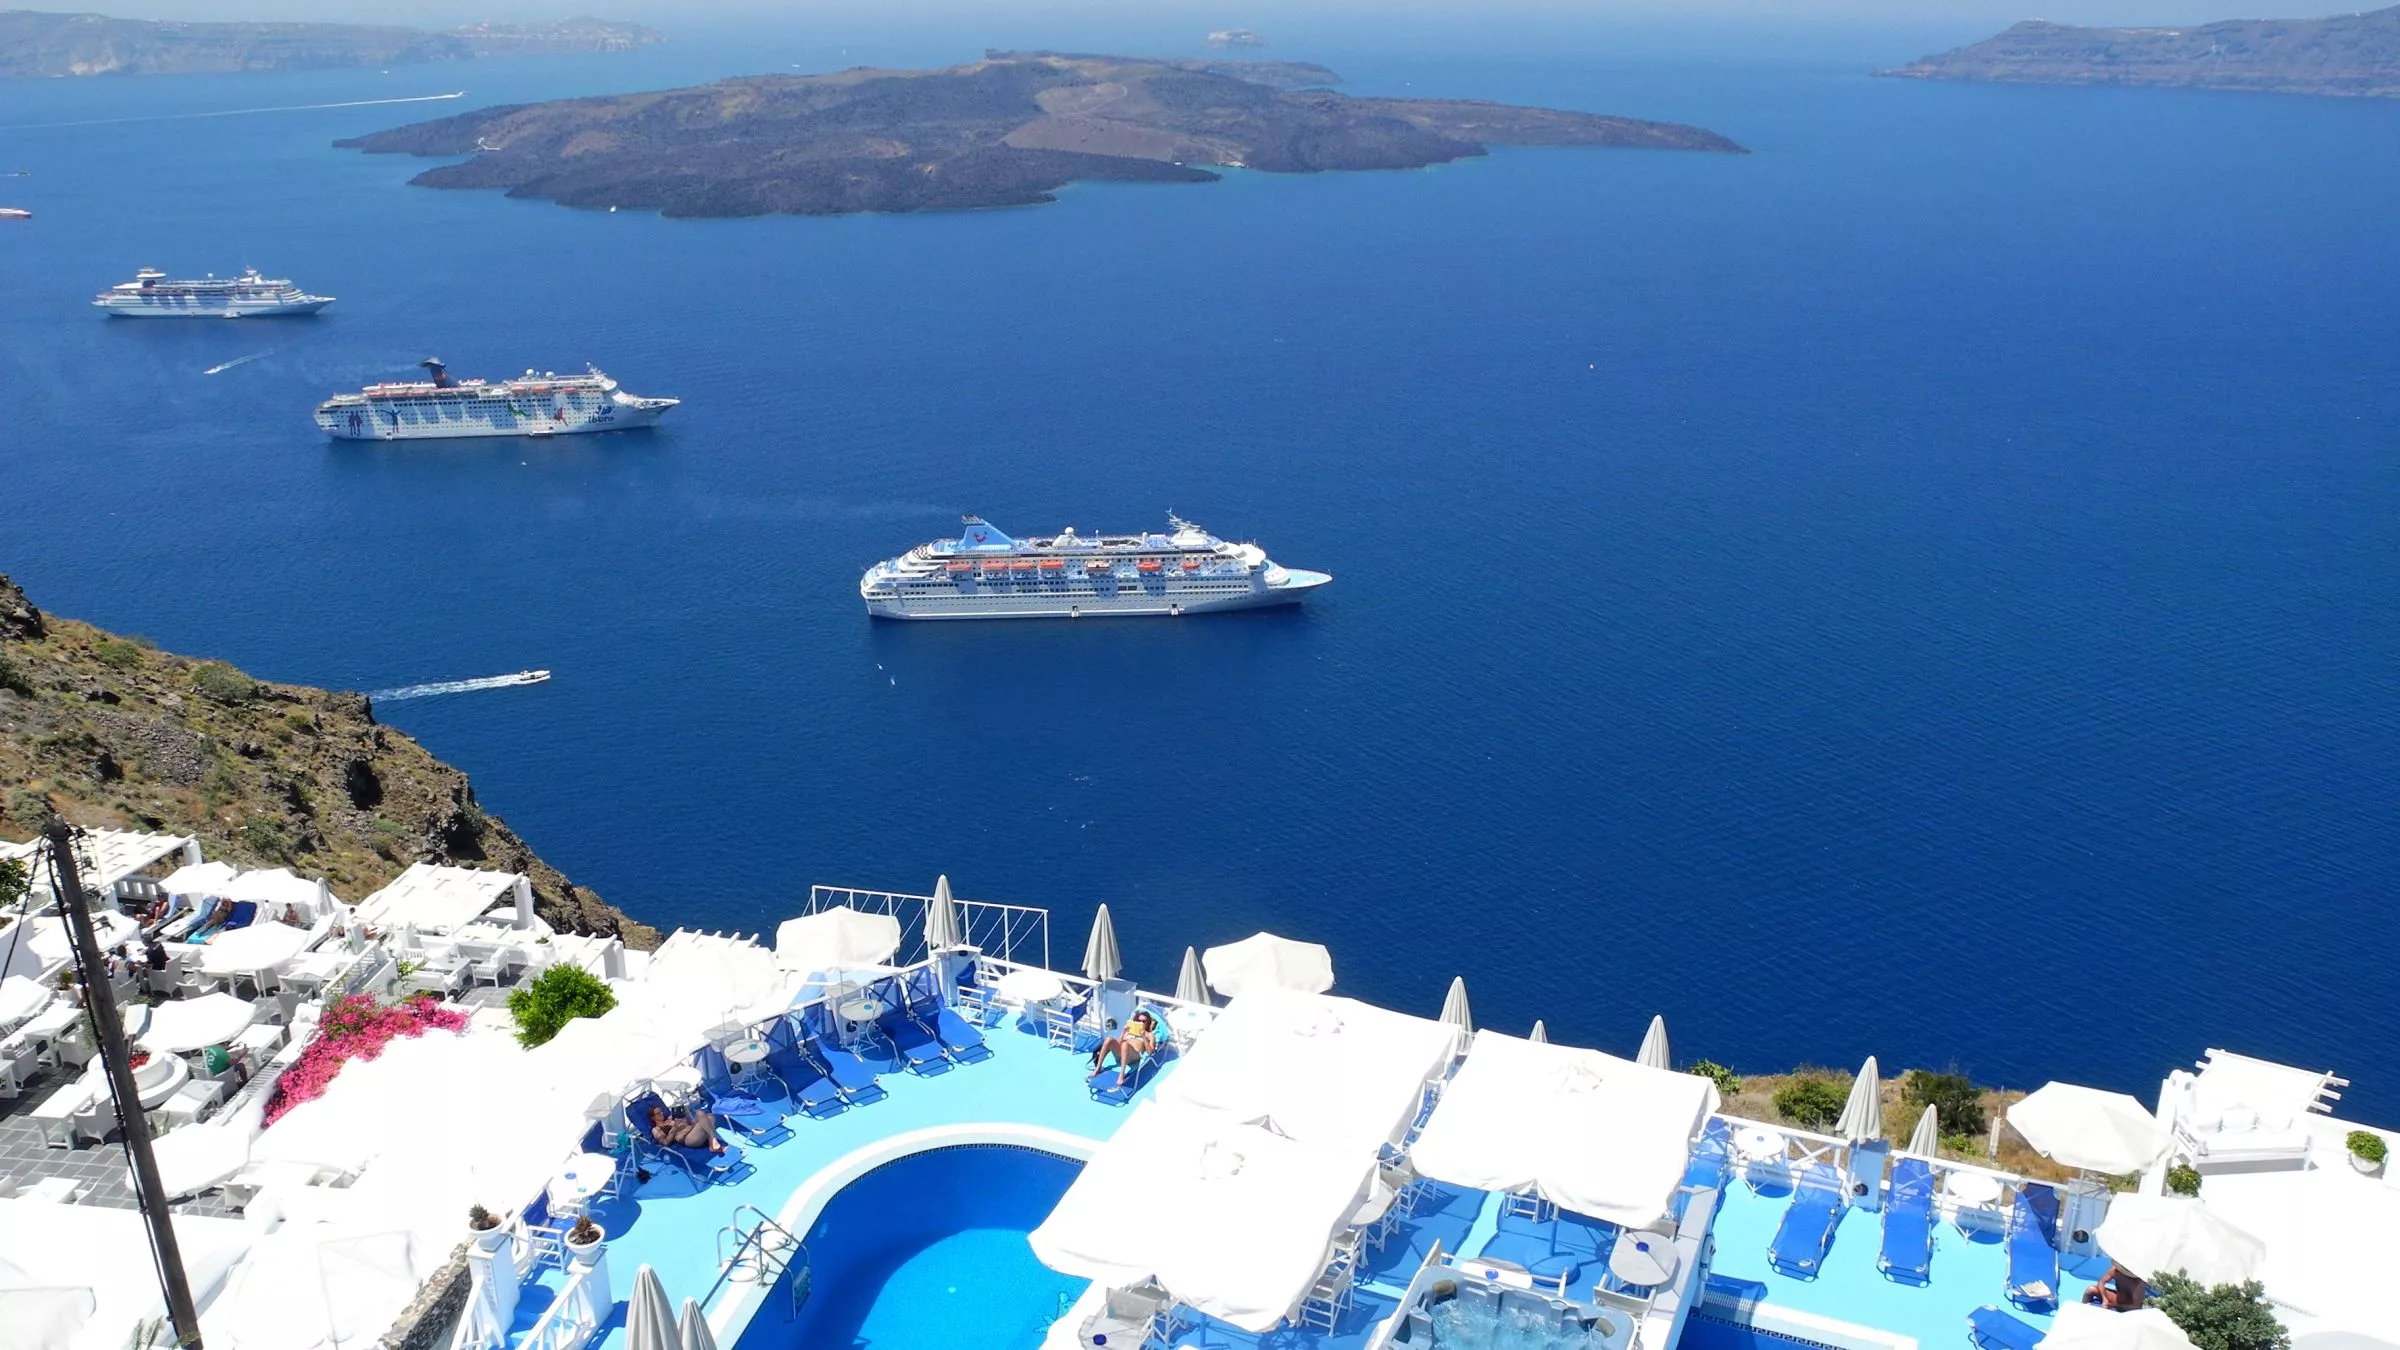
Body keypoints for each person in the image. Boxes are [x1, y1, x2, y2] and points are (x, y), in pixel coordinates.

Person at [1089, 1010, 1160, 1088]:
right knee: (1109, 1039)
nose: (1141, 1023)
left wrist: (1143, 1037)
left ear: (1148, 1022)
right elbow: (1118, 1043)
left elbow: (1151, 1052)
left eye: (1144, 1021)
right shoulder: (1129, 1031)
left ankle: (1121, 1075)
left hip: (1134, 1055)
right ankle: (1098, 1068)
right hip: (1122, 1053)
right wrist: (1124, 1032)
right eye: (1139, 1021)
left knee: (1125, 1044)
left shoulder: (1149, 1035)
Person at [647, 1104, 726, 1154]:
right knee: (705, 1116)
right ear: (653, 1117)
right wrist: (674, 1127)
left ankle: (712, 1141)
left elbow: (690, 1124)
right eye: (658, 1113)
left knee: (706, 1115)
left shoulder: (671, 1119)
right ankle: (712, 1140)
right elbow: (665, 1142)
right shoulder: (656, 1129)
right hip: (688, 1139)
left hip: (694, 1130)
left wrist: (686, 1114)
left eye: (661, 1112)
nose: (662, 1114)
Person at [2081, 1262, 2147, 1311]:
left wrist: (2112, 1305)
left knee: (2132, 1308)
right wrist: (2105, 1299)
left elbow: (2136, 1306)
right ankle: (2082, 1310)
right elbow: (2101, 1282)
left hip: (2128, 1306)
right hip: (2117, 1298)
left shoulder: (2138, 1282)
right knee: (2090, 1289)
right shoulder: (2115, 1270)